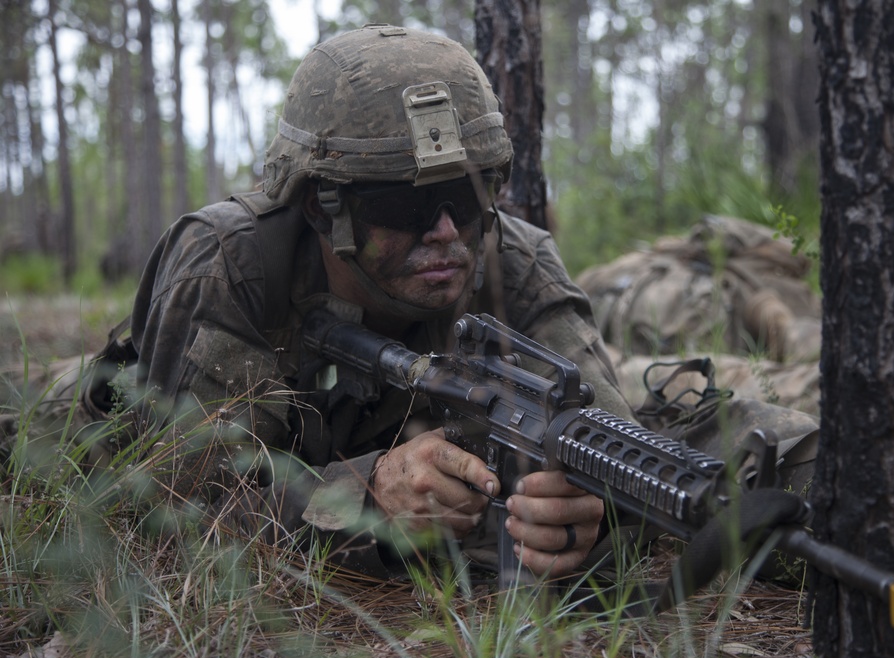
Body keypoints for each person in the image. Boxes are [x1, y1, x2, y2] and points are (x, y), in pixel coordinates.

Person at [113, 23, 636, 580]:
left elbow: (618, 451)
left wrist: (588, 514)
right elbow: (180, 512)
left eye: (465, 197)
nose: (445, 233)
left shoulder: (515, 262)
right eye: (405, 208)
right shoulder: (230, 265)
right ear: (321, 207)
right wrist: (366, 496)